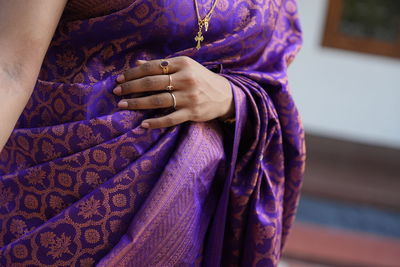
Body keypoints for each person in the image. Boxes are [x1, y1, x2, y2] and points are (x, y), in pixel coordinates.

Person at [0, 0, 305, 266]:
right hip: (42, 197)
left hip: (186, 220)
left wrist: (229, 97)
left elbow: (271, 80)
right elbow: (9, 69)